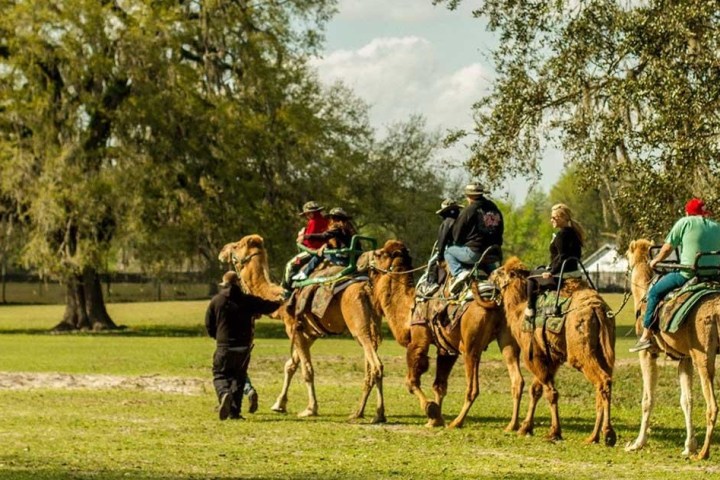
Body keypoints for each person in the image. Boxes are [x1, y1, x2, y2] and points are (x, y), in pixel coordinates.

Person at [630, 198, 720, 352]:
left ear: (687, 212)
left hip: (688, 274)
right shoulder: (716, 226)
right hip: (714, 275)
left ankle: (646, 336)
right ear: (705, 213)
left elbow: (667, 249)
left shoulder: (684, 222)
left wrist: (655, 261)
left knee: (654, 293)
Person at [205, 271, 283, 420]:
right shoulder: (248, 300)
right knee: (239, 378)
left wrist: (219, 338)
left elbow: (209, 324)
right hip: (244, 348)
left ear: (224, 284)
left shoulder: (216, 301)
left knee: (220, 375)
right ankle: (234, 413)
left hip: (224, 346)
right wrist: (280, 301)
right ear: (238, 283)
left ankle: (224, 394)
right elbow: (267, 307)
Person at [524, 203, 585, 320]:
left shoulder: (562, 235)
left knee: (531, 276)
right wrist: (549, 267)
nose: (551, 220)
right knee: (540, 270)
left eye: (554, 217)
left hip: (561, 276)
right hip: (575, 273)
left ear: (563, 218)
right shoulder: (574, 232)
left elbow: (562, 257)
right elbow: (566, 256)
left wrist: (551, 272)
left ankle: (530, 309)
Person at [444, 183, 504, 293]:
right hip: (494, 255)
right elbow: (500, 231)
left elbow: (456, 235)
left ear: (470, 196)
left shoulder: (469, 210)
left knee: (448, 252)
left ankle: (459, 273)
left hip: (475, 254)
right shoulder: (495, 209)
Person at [294, 207, 358, 279]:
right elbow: (339, 242)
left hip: (315, 252)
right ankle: (303, 273)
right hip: (352, 257)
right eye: (306, 214)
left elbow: (323, 236)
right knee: (324, 250)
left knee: (293, 263)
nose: (307, 216)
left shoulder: (335, 227)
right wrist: (326, 244)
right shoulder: (349, 228)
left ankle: (297, 278)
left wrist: (304, 236)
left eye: (309, 213)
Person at [281, 201, 329, 289]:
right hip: (325, 249)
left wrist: (300, 239)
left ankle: (287, 289)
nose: (307, 216)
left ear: (311, 213)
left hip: (312, 251)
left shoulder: (313, 222)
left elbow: (310, 242)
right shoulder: (325, 220)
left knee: (290, 265)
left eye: (307, 214)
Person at [418, 199, 461, 296]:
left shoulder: (447, 222)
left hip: (451, 249)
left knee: (431, 263)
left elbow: (442, 240)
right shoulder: (462, 221)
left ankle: (431, 283)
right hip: (463, 249)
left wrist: (439, 256)